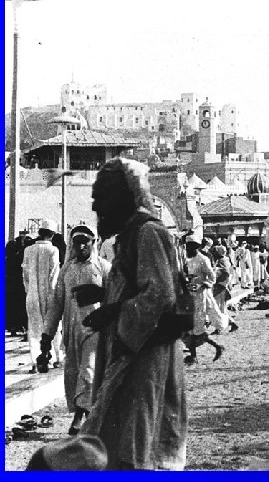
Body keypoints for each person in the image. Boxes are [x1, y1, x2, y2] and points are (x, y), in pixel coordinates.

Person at [79, 158, 187, 470]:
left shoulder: (148, 232)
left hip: (145, 358)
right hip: (131, 352)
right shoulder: (130, 235)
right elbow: (138, 287)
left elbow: (159, 296)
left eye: (102, 199)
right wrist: (102, 295)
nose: (98, 208)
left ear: (123, 197)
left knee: (138, 443)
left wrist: (111, 311)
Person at [40, 225, 111, 435]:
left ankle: (79, 418)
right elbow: (57, 303)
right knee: (75, 374)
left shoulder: (103, 267)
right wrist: (47, 335)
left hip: (96, 331)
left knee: (88, 371)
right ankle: (91, 418)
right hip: (72, 332)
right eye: (77, 242)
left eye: (85, 242)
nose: (81, 246)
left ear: (93, 243)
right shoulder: (67, 270)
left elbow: (116, 297)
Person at [22, 219, 62, 373]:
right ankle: (56, 358)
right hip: (49, 295)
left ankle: (34, 361)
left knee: (33, 328)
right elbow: (54, 276)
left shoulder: (28, 250)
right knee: (52, 326)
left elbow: (24, 275)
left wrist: (29, 291)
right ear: (52, 235)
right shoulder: (53, 251)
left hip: (31, 295)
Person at [185, 240, 227, 362]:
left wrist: (202, 284)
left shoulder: (203, 259)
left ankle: (216, 347)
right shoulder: (189, 259)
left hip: (200, 296)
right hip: (190, 293)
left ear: (195, 249)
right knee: (190, 327)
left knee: (197, 327)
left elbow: (212, 277)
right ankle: (194, 355)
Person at [5, 230, 32, 336]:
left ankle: (13, 327)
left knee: (12, 306)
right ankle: (25, 328)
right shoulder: (23, 254)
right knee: (22, 307)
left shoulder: (9, 256)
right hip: (21, 284)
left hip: (10, 284)